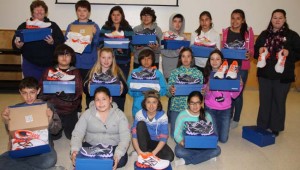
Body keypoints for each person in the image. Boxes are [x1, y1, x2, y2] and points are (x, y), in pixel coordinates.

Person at [254, 9, 300, 136]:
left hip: (283, 76)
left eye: (280, 18)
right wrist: (260, 49)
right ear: (271, 19)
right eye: (275, 17)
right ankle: (262, 125)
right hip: (265, 74)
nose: (277, 20)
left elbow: (298, 53)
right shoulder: (264, 34)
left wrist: (289, 53)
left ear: (285, 19)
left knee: (279, 101)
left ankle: (276, 127)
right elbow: (255, 50)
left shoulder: (292, 35)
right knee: (265, 101)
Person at [0, 77, 62, 169]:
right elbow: (12, 133)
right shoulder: (16, 109)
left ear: (38, 91)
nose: (28, 97)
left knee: (50, 160)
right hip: (22, 147)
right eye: (24, 93)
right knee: (1, 161)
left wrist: (50, 120)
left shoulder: (47, 107)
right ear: (20, 93)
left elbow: (56, 130)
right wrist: (6, 120)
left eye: (32, 92)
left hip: (42, 148)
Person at [70, 86, 130, 170]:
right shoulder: (87, 114)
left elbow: (125, 138)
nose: (101, 103)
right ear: (94, 101)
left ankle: (93, 164)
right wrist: (75, 150)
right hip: (91, 145)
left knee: (121, 160)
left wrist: (117, 155)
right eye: (97, 100)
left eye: (104, 99)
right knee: (75, 154)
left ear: (110, 99)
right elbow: (77, 133)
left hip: (112, 147)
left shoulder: (120, 115)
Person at [12, 0, 64, 81]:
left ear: (45, 12)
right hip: (30, 64)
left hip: (50, 65)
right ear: (32, 12)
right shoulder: (24, 26)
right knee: (32, 88)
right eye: (37, 9)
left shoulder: (52, 26)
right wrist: (18, 46)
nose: (39, 12)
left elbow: (62, 43)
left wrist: (53, 42)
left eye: (42, 9)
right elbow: (14, 45)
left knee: (48, 91)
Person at [39, 44, 82, 140]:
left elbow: (78, 92)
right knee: (55, 137)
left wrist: (65, 96)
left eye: (67, 55)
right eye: (61, 54)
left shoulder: (75, 72)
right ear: (56, 57)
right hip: (53, 110)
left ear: (72, 58)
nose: (64, 57)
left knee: (72, 136)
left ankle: (73, 120)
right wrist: (49, 92)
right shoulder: (49, 71)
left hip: (69, 110)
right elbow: (40, 90)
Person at [221, 9, 254, 129]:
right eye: (233, 18)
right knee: (228, 93)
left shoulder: (248, 32)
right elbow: (222, 49)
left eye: (238, 18)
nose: (235, 21)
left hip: (241, 68)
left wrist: (249, 54)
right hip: (228, 67)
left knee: (238, 93)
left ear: (243, 20)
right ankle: (229, 116)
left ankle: (236, 119)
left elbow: (251, 50)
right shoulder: (225, 32)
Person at [65, 0, 101, 108]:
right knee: (76, 89)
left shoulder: (94, 26)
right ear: (76, 12)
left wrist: (93, 35)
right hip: (75, 63)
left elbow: (98, 44)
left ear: (89, 12)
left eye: (84, 10)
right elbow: (66, 44)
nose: (82, 13)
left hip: (90, 64)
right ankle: (78, 111)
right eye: (79, 10)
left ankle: (90, 110)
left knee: (89, 89)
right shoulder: (71, 26)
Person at [203, 49, 243, 143]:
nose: (215, 61)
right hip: (211, 109)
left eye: (217, 59)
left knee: (223, 139)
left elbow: (233, 95)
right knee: (215, 138)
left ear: (222, 61)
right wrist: (208, 86)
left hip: (225, 110)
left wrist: (240, 85)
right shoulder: (206, 76)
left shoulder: (229, 75)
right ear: (209, 61)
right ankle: (211, 123)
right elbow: (206, 97)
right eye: (212, 59)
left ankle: (217, 124)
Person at [174, 91, 221, 166]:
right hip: (188, 145)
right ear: (188, 103)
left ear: (201, 103)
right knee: (178, 151)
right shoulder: (182, 115)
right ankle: (206, 156)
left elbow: (213, 134)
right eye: (192, 103)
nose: (195, 106)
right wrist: (182, 142)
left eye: (198, 102)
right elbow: (176, 134)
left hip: (203, 145)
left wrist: (209, 143)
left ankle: (187, 161)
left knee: (217, 150)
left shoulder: (207, 115)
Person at [167, 47, 203, 137]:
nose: (186, 59)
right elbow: (168, 93)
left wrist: (203, 92)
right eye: (183, 56)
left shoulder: (198, 73)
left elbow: (201, 93)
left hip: (192, 108)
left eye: (188, 56)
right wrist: (170, 90)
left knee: (191, 134)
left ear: (192, 58)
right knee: (174, 135)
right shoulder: (174, 72)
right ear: (180, 58)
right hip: (176, 107)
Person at [131, 90, 174, 163]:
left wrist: (153, 153)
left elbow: (163, 138)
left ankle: (148, 152)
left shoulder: (163, 117)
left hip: (157, 142)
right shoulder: (139, 114)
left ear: (158, 103)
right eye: (148, 102)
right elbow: (134, 135)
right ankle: (143, 151)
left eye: (154, 102)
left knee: (170, 157)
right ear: (144, 103)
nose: (151, 106)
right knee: (140, 124)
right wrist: (139, 151)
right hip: (144, 141)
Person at [127, 49, 167, 117]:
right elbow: (129, 89)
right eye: (143, 59)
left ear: (153, 60)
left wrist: (152, 93)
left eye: (149, 59)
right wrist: (139, 92)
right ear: (140, 60)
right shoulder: (134, 73)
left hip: (154, 109)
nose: (146, 61)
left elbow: (164, 89)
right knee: (138, 127)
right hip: (138, 108)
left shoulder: (157, 73)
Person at [100, 5, 134, 79]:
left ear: (122, 16)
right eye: (113, 15)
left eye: (118, 15)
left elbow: (132, 45)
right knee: (108, 84)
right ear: (110, 16)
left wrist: (123, 49)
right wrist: (113, 48)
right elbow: (100, 44)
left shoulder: (128, 28)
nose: (116, 17)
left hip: (123, 63)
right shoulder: (105, 27)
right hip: (107, 63)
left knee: (122, 85)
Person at [161, 13, 186, 80]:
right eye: (175, 21)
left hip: (181, 70)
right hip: (169, 69)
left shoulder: (184, 37)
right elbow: (163, 51)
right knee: (170, 89)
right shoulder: (165, 35)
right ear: (171, 22)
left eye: (180, 21)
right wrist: (177, 52)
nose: (177, 24)